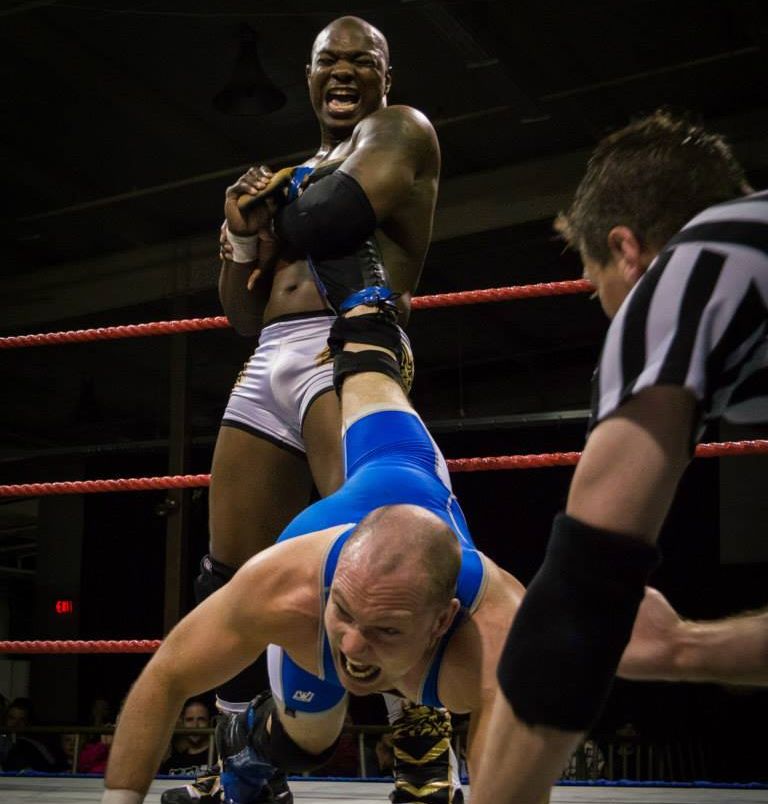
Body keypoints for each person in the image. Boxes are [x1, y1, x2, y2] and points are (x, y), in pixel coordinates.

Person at [100, 296, 747, 804]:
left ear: (442, 621)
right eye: (347, 617)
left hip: (427, 589)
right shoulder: (287, 586)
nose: (353, 648)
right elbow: (165, 679)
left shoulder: (497, 652)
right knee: (309, 737)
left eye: (381, 628)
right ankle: (250, 757)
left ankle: (420, 745)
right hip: (393, 473)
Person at [175, 13, 443, 804]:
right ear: (309, 74)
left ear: (385, 76)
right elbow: (240, 311)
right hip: (271, 361)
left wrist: (269, 206)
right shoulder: (306, 170)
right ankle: (239, 766)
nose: (344, 73)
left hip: (349, 347)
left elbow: (333, 219)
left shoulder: (402, 131)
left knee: (380, 550)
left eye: (362, 61)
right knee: (228, 571)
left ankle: (424, 757)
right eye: (330, 61)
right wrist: (237, 232)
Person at [471, 110, 768, 804]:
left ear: (627, 250)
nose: (605, 307)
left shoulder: (688, 268)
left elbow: (583, 589)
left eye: (594, 279)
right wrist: (684, 650)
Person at [161, 699, 214, 776]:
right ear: (183, 723)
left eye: (201, 720)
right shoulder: (172, 763)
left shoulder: (219, 759)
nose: (195, 725)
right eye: (189, 720)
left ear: (209, 722)